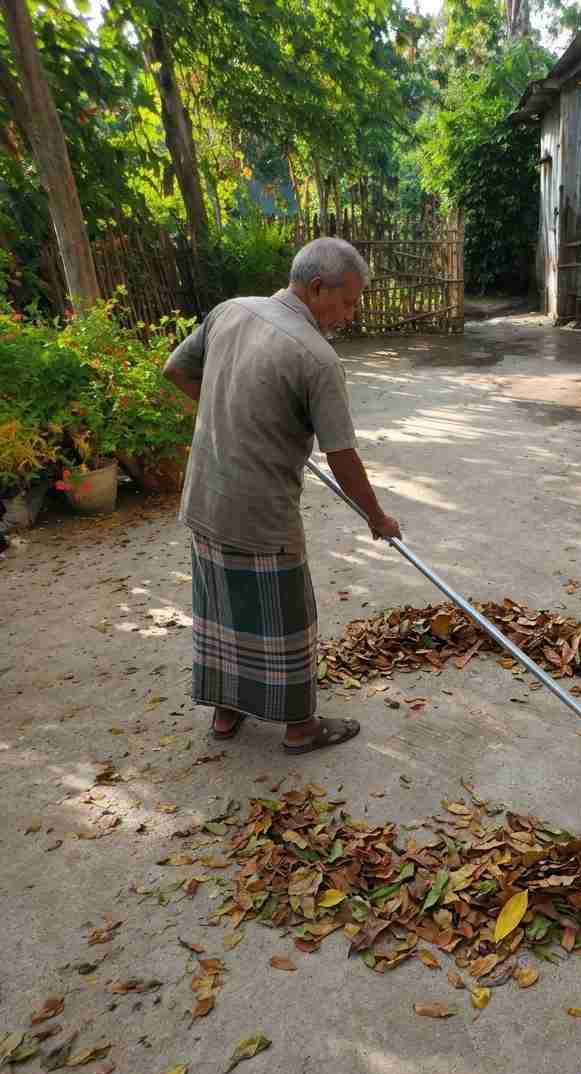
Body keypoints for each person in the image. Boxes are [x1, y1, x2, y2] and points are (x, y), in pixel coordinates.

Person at [162, 237, 401, 754]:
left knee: (223, 609)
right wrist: (377, 517)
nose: (350, 316)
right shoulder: (317, 358)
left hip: (204, 498)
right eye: (348, 302)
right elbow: (342, 457)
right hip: (262, 515)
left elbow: (175, 370)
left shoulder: (229, 311)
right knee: (286, 618)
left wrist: (233, 417)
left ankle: (226, 712)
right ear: (316, 288)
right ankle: (299, 727)